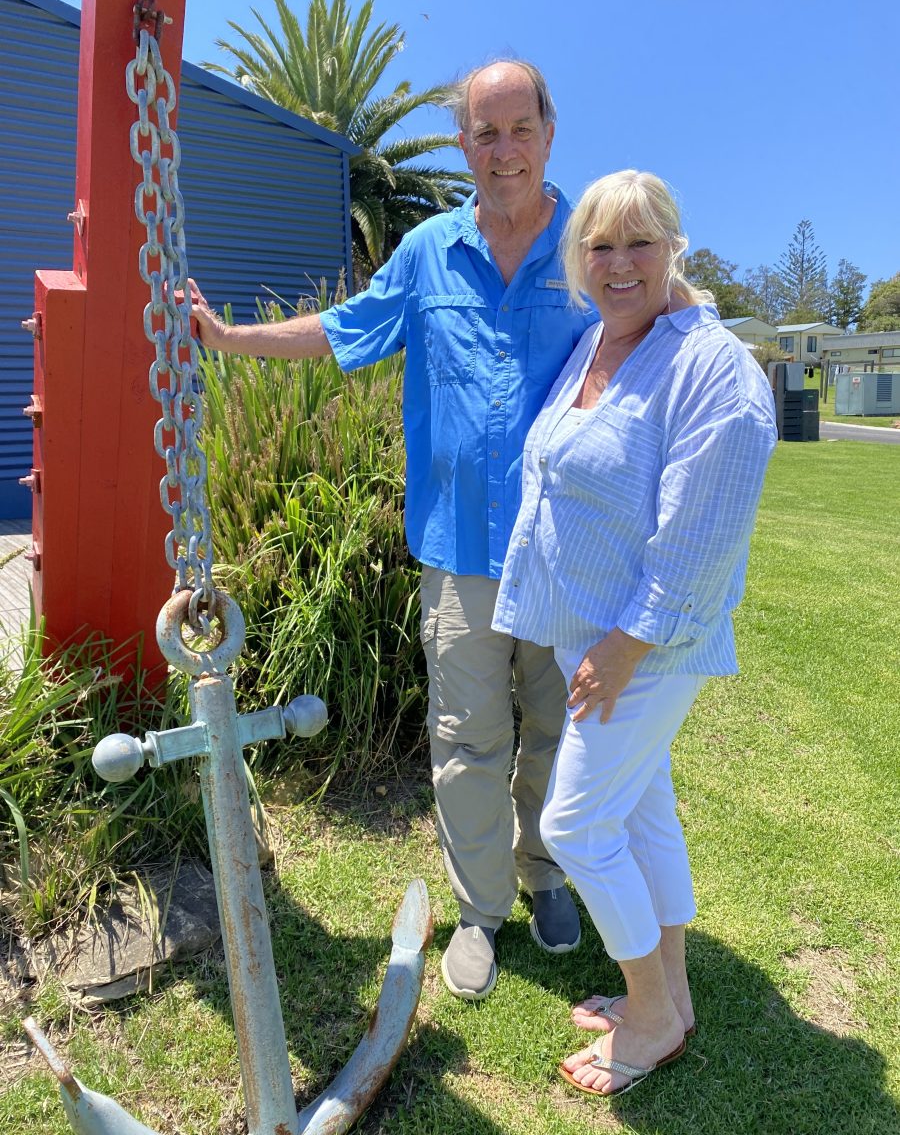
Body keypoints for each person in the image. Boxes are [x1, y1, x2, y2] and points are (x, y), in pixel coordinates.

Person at [189, 60, 597, 1001]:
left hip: (564, 548)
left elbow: (652, 332)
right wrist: (228, 338)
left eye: (518, 129)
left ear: (548, 130)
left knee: (556, 728)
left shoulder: (590, 246)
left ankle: (546, 874)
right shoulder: (425, 252)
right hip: (457, 547)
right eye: (483, 134)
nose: (503, 152)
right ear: (462, 145)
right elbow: (343, 329)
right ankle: (480, 911)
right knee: (466, 734)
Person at [492, 169, 777, 1094]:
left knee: (575, 824)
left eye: (639, 243)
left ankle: (650, 1019)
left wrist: (626, 646)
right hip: (597, 639)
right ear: (578, 261)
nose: (619, 264)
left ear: (674, 249)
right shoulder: (599, 345)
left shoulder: (711, 368)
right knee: (640, 810)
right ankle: (677, 996)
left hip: (643, 647)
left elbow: (706, 530)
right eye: (599, 246)